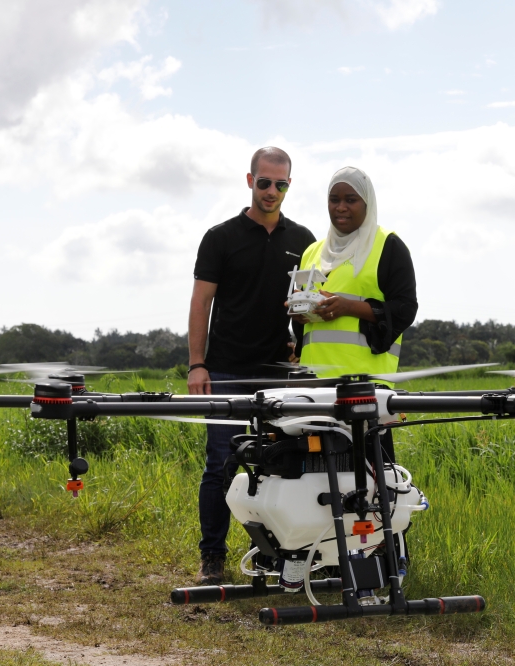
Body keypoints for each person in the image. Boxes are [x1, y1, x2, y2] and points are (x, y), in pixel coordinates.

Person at [187, 146, 316, 585]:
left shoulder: (303, 241)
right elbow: (201, 303)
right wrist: (197, 364)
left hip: (278, 374)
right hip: (224, 370)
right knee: (221, 464)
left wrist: (302, 349)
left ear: (289, 186)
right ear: (249, 181)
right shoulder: (220, 237)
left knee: (279, 465)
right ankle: (212, 559)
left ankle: (271, 557)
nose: (272, 191)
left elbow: (308, 305)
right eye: (265, 182)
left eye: (281, 184)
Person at [295, 166, 418, 461]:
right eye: (334, 199)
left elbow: (405, 309)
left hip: (365, 388)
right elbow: (305, 330)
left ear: (367, 202)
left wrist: (348, 307)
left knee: (373, 483)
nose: (341, 207)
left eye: (351, 199)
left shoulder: (387, 245)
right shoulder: (312, 252)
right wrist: (299, 312)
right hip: (316, 386)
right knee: (317, 479)